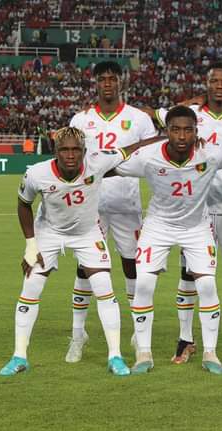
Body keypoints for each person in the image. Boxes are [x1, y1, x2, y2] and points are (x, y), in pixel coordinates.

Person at [114, 106, 222, 375]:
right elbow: (110, 167)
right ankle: (143, 353)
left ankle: (210, 353)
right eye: (175, 130)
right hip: (158, 226)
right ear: (167, 132)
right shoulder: (148, 157)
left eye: (188, 130)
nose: (182, 136)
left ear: (197, 131)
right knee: (144, 284)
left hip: (196, 227)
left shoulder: (211, 153)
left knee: (207, 285)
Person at [0, 127, 159, 377]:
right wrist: (30, 244)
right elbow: (24, 204)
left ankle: (115, 356)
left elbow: (131, 149)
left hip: (87, 233)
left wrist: (165, 137)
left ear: (84, 151)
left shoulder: (98, 162)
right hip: (49, 232)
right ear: (55, 151)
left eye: (76, 149)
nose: (71, 155)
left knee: (104, 288)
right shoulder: (37, 173)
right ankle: (19, 356)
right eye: (65, 150)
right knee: (30, 288)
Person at [145, 63, 222, 365]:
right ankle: (185, 340)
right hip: (195, 209)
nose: (219, 85)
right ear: (207, 84)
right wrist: (187, 103)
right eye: (214, 80)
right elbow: (151, 114)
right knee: (189, 275)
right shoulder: (188, 115)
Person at [66, 61, 157, 363]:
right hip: (90, 205)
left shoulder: (138, 118)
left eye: (112, 78)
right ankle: (78, 334)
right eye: (102, 79)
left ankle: (137, 331)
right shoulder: (81, 119)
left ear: (121, 82)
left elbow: (152, 153)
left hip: (126, 204)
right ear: (95, 83)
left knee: (132, 266)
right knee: (85, 268)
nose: (107, 83)